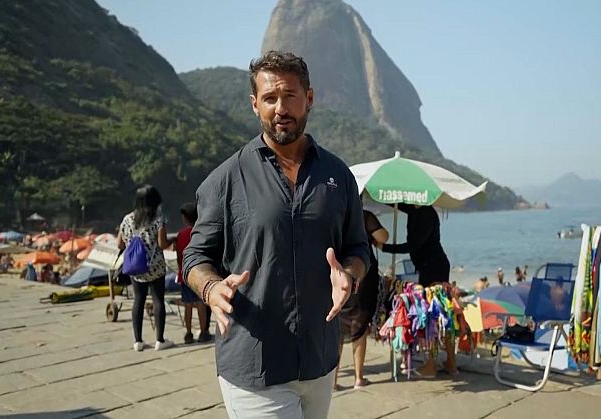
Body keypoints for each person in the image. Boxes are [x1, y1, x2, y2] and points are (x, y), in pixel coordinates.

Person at [183, 51, 369, 419]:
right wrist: (211, 289)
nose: (280, 108)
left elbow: (359, 247)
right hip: (256, 364)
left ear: (309, 99)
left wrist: (349, 274)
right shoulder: (226, 179)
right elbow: (194, 257)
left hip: (320, 358)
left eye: (290, 96)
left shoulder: (338, 175)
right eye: (270, 98)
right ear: (255, 105)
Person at [378, 203, 457, 377]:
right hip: (428, 267)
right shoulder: (416, 209)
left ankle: (430, 365)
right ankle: (451, 363)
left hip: (434, 268)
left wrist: (385, 247)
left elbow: (413, 245)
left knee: (431, 317)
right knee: (439, 315)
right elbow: (401, 206)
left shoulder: (426, 214)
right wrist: (384, 200)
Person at [334, 209, 388, 391]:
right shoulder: (363, 216)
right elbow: (384, 237)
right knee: (359, 324)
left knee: (337, 327)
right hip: (362, 277)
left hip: (339, 275)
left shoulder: (335, 214)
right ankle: (358, 378)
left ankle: (332, 381)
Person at [117, 185, 173, 352]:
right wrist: (172, 241)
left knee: (138, 301)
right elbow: (163, 244)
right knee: (158, 301)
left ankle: (138, 341)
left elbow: (119, 244)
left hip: (136, 268)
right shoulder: (158, 219)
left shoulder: (127, 219)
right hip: (155, 267)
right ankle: (159, 340)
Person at [175, 202, 211, 344]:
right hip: (201, 275)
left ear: (184, 218)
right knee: (201, 304)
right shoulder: (201, 231)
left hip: (185, 276)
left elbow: (179, 255)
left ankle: (188, 333)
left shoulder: (181, 234)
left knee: (188, 305)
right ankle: (203, 332)